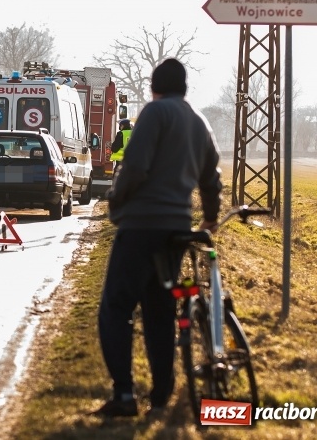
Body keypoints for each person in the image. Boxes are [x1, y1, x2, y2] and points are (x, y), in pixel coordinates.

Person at [96, 58, 222, 418]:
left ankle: (124, 394)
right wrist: (210, 217)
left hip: (141, 226)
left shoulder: (154, 113)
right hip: (176, 230)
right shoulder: (199, 122)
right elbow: (211, 178)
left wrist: (116, 199)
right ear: (185, 87)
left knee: (116, 307)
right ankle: (161, 393)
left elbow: (135, 167)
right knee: (159, 311)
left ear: (154, 87)